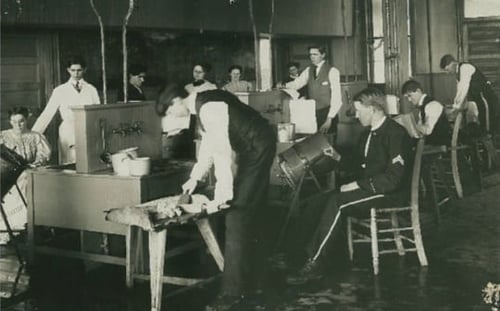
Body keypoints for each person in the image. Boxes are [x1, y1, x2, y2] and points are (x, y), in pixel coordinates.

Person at [155, 86, 276, 310]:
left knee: (236, 217)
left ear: (176, 102)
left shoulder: (209, 108)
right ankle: (259, 282)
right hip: (256, 145)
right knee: (251, 213)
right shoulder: (203, 105)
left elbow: (222, 154)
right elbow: (208, 147)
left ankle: (232, 293)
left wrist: (223, 195)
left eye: (171, 113)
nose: (173, 118)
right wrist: (194, 178)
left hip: (256, 148)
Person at [287, 88, 412, 282]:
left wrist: (358, 185)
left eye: (359, 110)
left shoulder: (396, 133)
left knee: (338, 202)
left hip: (388, 192)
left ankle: (316, 262)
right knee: (317, 201)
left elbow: (393, 179)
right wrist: (337, 157)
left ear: (372, 109)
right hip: (368, 188)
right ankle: (298, 255)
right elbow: (358, 163)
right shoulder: (367, 134)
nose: (356, 115)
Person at [32, 56, 100, 164]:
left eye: (79, 70)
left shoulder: (91, 89)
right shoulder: (60, 90)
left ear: (84, 70)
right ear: (68, 70)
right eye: (73, 70)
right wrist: (33, 135)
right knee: (70, 162)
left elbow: (97, 112)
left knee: (88, 161)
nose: (76, 73)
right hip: (69, 131)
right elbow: (48, 113)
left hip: (88, 130)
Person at [1, 107, 51, 244]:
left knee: (27, 178)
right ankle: (11, 227)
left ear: (26, 120)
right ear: (10, 121)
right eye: (14, 121)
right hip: (8, 174)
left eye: (21, 121)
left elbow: (43, 156)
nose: (18, 125)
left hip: (30, 172)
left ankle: (28, 223)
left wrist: (36, 164)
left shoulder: (36, 136)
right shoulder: (3, 136)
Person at [280, 45, 343, 133]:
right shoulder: (309, 70)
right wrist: (283, 85)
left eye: (315, 54)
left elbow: (337, 99)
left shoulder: (332, 71)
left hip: (328, 113)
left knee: (328, 142)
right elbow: (297, 84)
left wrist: (329, 119)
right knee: (314, 141)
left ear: (323, 55)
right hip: (313, 113)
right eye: (310, 55)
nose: (312, 57)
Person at [440, 54, 499, 133]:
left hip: (486, 98)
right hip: (479, 99)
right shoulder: (458, 74)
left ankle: (490, 140)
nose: (448, 72)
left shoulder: (465, 68)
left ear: (452, 64)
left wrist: (456, 107)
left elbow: (463, 89)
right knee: (483, 122)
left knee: (489, 125)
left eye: (447, 69)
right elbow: (459, 92)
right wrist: (455, 105)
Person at [401, 79, 452, 146]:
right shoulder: (422, 107)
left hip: (439, 142)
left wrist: (413, 127)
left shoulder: (433, 105)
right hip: (430, 140)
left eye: (410, 95)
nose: (409, 100)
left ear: (418, 91)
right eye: (407, 97)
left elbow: (428, 130)